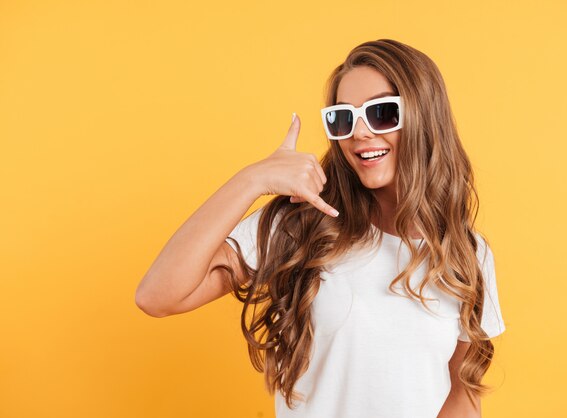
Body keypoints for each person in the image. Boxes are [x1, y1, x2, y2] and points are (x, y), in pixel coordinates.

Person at [135, 38, 506, 418]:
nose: (359, 133)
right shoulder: (302, 225)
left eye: (381, 113)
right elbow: (157, 295)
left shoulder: (468, 253)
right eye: (343, 118)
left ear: (426, 116)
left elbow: (461, 392)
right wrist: (251, 180)